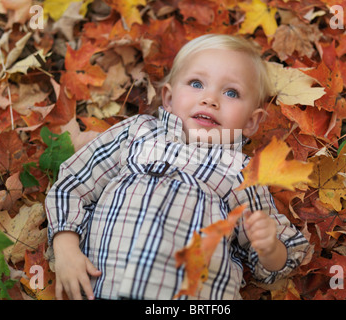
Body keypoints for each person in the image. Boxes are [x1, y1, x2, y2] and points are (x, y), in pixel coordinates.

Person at [45, 34, 310, 300]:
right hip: (102, 288)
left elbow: (283, 256)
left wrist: (269, 248)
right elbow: (73, 184)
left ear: (252, 122)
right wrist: (66, 249)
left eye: (231, 92)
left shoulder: (240, 172)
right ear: (169, 98)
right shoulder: (137, 133)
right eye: (196, 83)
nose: (210, 99)